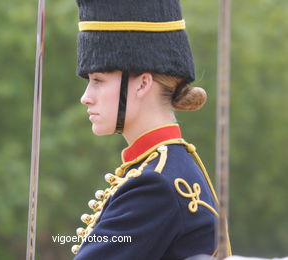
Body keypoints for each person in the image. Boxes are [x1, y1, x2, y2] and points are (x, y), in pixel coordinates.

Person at [71, 0, 232, 259]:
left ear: (143, 83)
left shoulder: (153, 183)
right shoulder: (166, 167)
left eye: (98, 81)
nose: (86, 97)